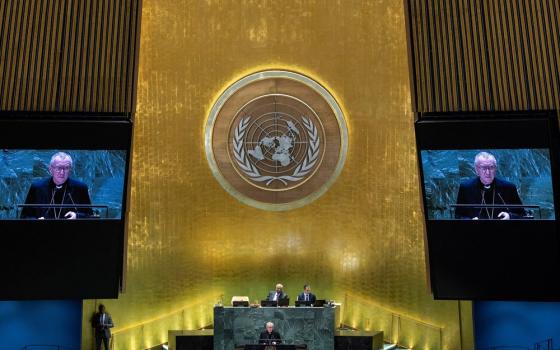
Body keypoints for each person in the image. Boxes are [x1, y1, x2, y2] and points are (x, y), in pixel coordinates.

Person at [20, 152, 93, 219]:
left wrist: (77, 216)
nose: (62, 172)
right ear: (50, 169)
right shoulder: (37, 187)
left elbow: (90, 216)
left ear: (70, 169)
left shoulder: (80, 188)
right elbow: (24, 216)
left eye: (66, 168)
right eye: (58, 168)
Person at [455, 152, 526, 220]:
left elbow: (523, 215)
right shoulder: (466, 188)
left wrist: (510, 216)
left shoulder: (509, 188)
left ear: (495, 169)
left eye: (491, 167)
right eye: (484, 168)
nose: (488, 172)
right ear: (476, 170)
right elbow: (458, 216)